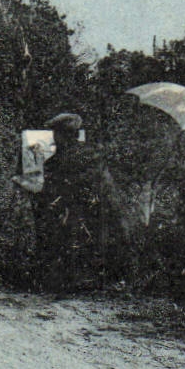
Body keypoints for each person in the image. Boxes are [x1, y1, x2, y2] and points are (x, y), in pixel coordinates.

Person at [28, 112, 135, 292]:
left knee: (54, 222)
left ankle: (64, 277)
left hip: (83, 213)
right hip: (104, 211)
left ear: (64, 135)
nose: (55, 138)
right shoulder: (92, 153)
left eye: (57, 134)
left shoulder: (60, 160)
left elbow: (52, 191)